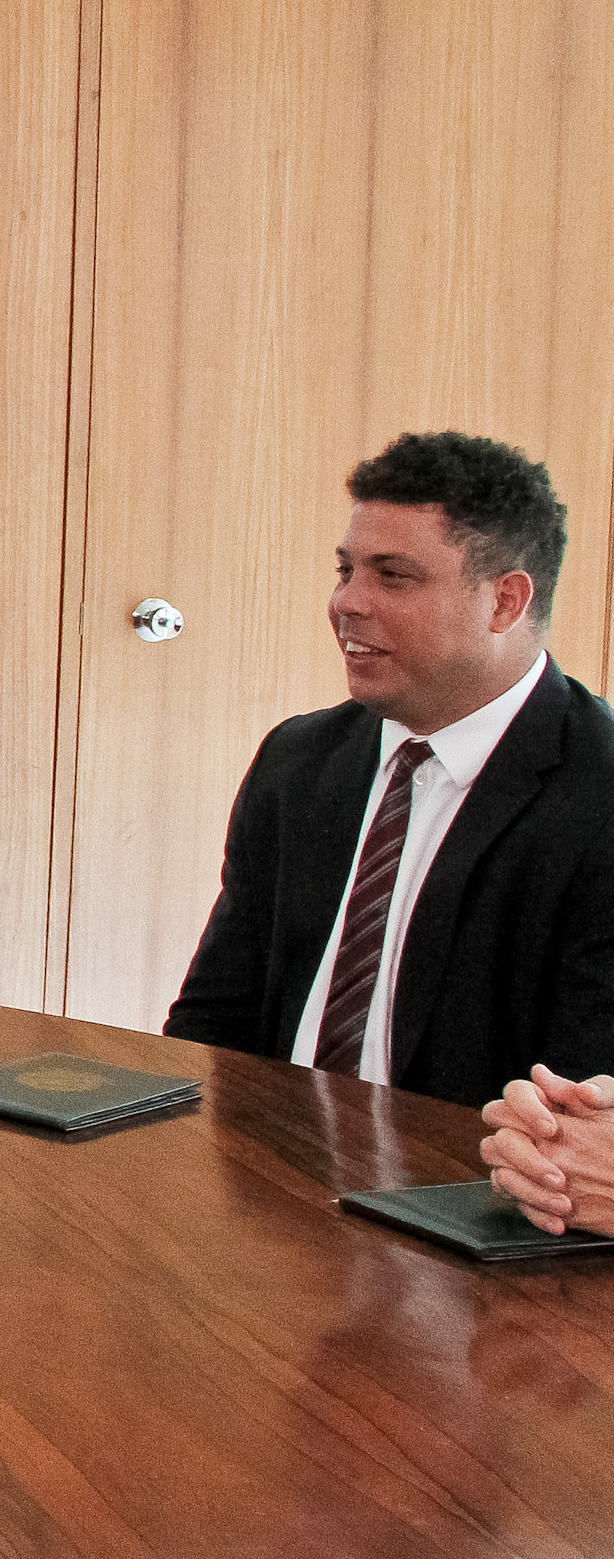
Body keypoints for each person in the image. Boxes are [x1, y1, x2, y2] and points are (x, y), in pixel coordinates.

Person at [169, 431, 614, 1105]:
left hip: (470, 1196)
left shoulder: (599, 792)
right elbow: (211, 1025)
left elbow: (577, 1107)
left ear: (505, 602)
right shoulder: (298, 762)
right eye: (346, 569)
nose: (349, 601)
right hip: (266, 1172)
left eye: (393, 575)